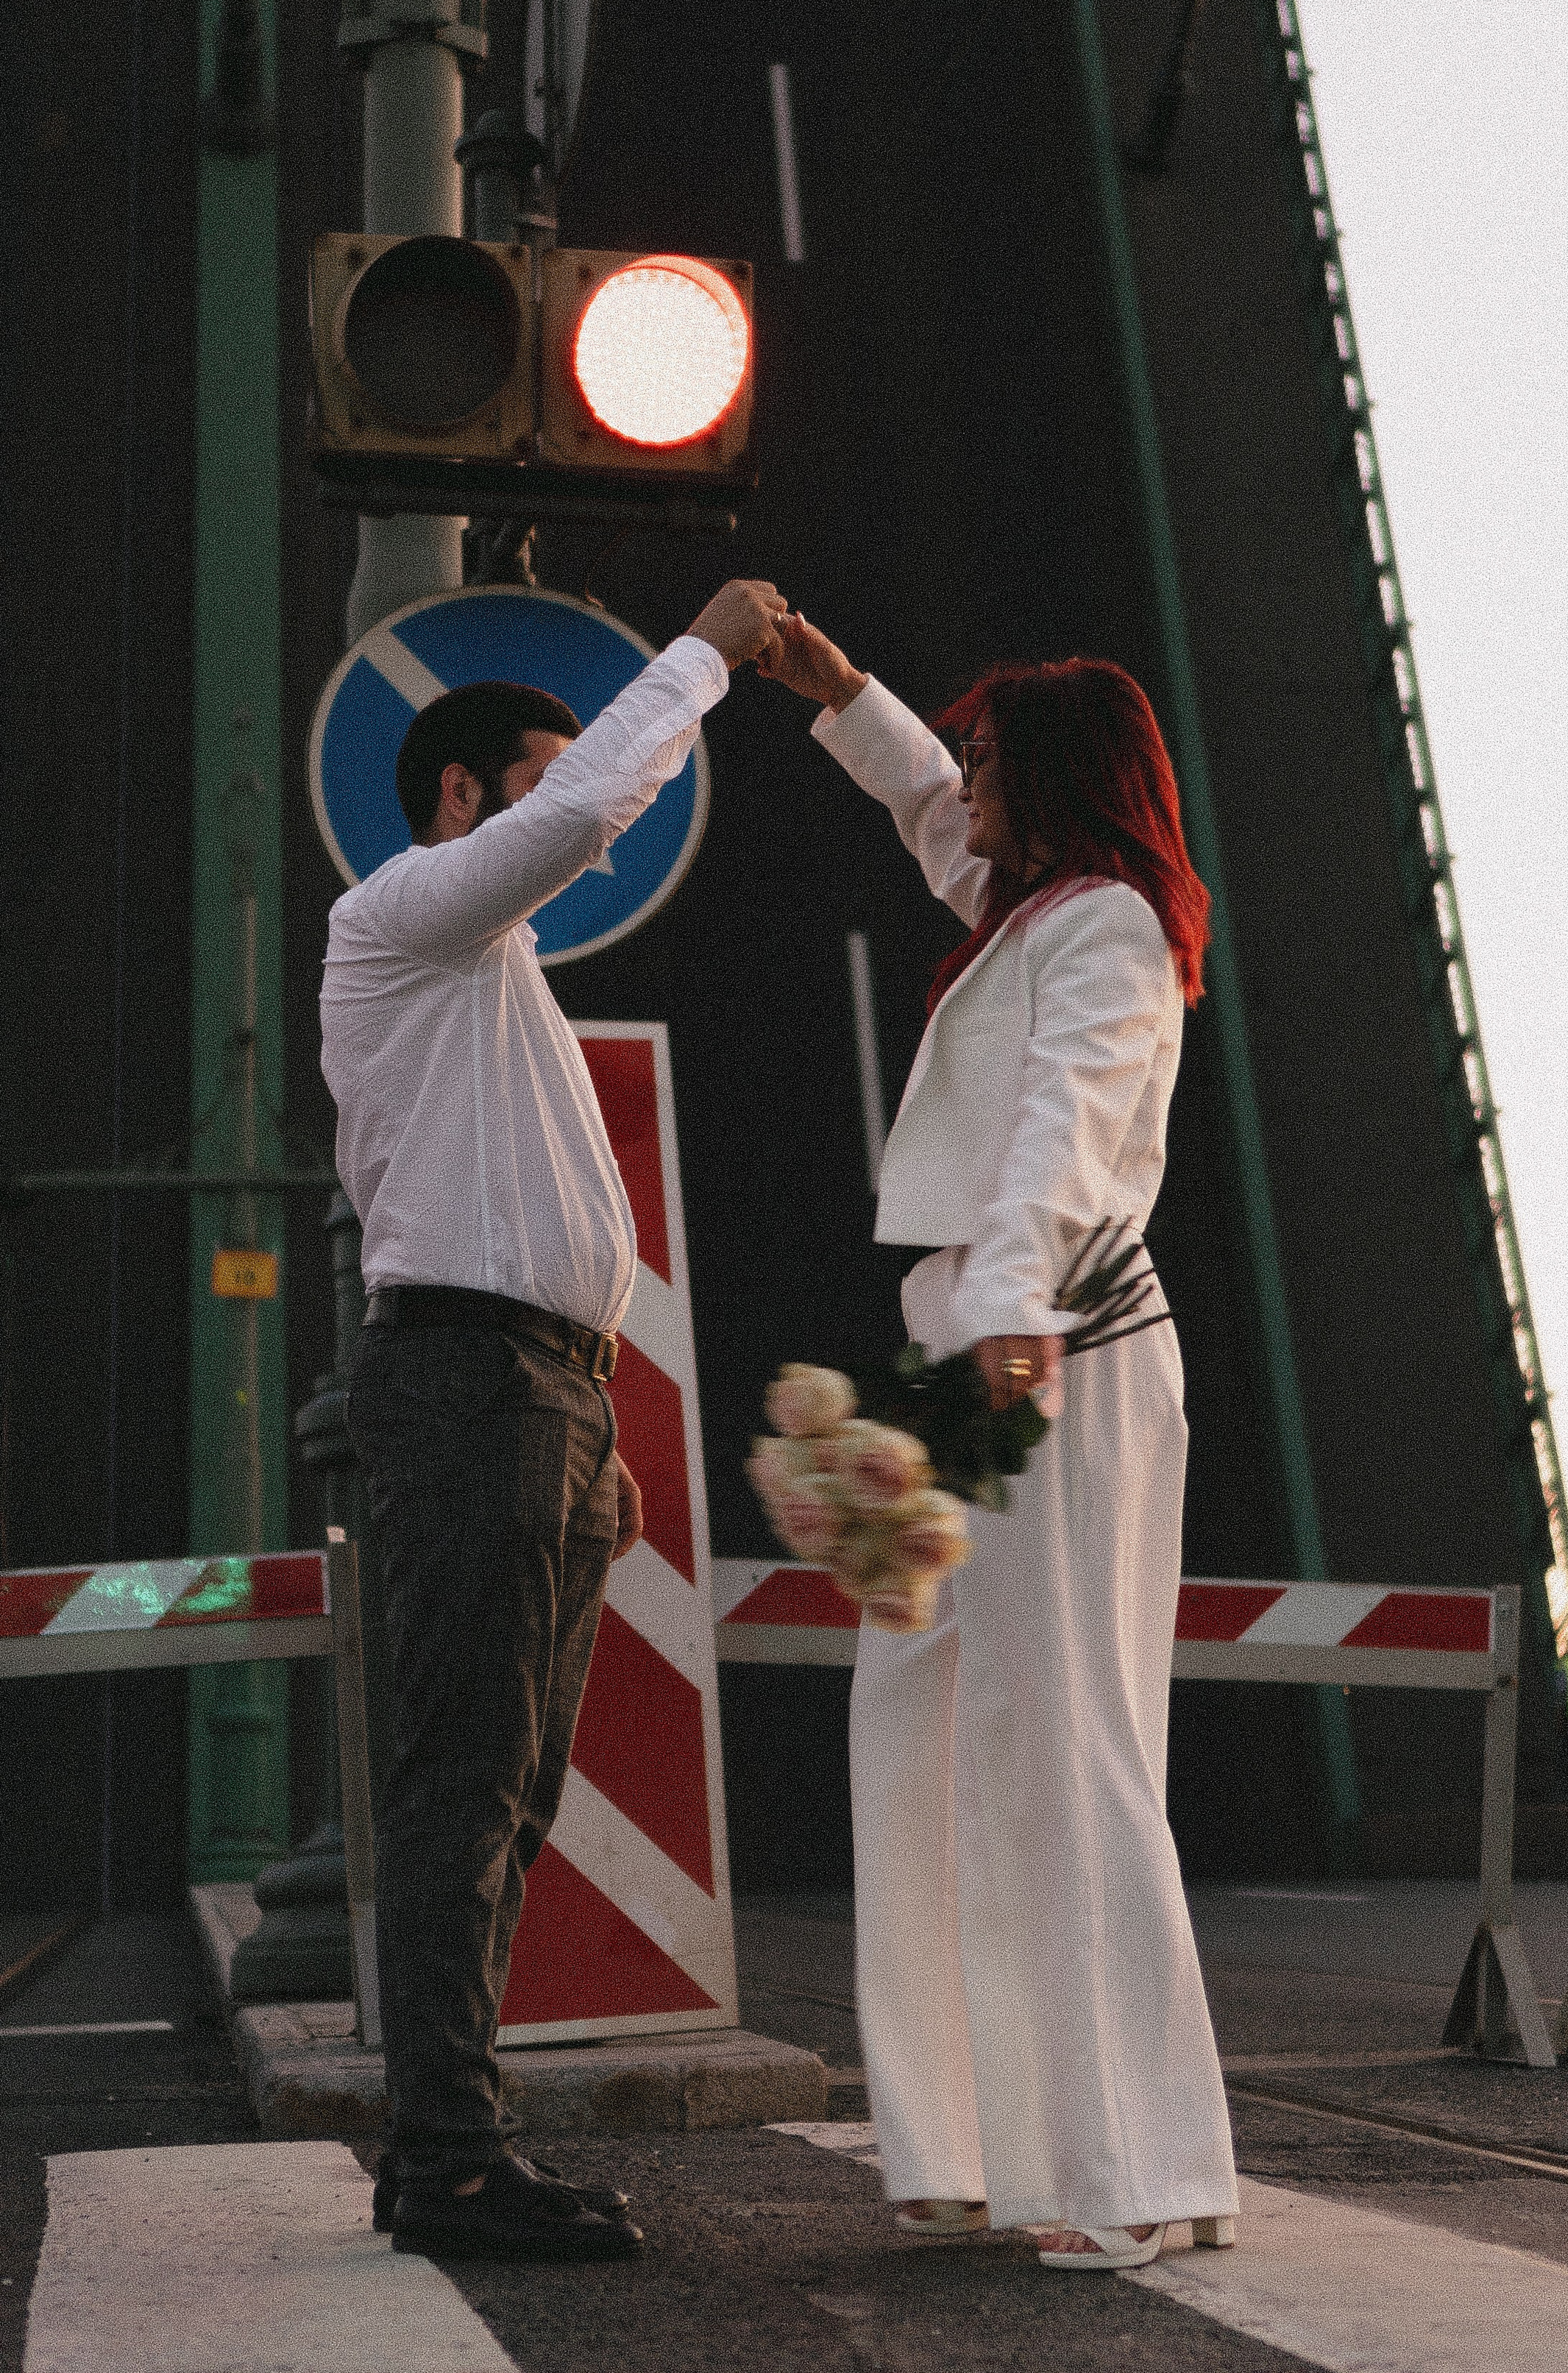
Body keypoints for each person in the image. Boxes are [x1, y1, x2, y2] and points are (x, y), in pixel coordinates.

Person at [765, 615, 1241, 2271]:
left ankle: (1144, 2170)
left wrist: (1020, 1304)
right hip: (980, 1351)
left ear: (1047, 787)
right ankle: (1000, 2147)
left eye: (984, 758)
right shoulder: (1032, 909)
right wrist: (838, 697)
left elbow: (1069, 1117)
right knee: (927, 1733)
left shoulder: (1102, 927)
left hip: (1051, 1349)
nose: (960, 776)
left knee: (1064, 1742)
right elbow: (923, 813)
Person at [322, 575, 785, 2263]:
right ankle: (444, 2158)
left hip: (534, 1400)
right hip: (470, 1385)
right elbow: (600, 801)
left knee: (507, 1795)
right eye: (530, 780)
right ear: (459, 803)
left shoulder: (482, 974)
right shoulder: (403, 918)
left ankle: (448, 2142)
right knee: (465, 1782)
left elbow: (554, 1204)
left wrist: (593, 1428)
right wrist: (708, 652)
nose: (570, 813)